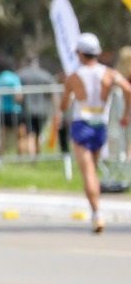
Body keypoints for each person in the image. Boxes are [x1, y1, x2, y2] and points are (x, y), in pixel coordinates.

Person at [55, 33, 131, 234]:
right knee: (93, 170)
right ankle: (96, 209)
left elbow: (63, 104)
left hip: (82, 124)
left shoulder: (74, 76)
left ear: (80, 53)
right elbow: (128, 90)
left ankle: (97, 213)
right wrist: (125, 114)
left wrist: (66, 103)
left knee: (88, 172)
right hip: (100, 125)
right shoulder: (109, 73)